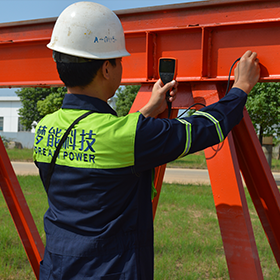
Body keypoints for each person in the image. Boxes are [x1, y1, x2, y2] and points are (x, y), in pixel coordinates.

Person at [33, 2, 260, 280]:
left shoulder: (45, 128)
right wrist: (241, 88)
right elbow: (203, 127)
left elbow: (107, 137)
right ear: (107, 68)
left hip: (57, 267)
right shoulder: (130, 137)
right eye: (119, 60)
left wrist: (149, 110)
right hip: (109, 272)